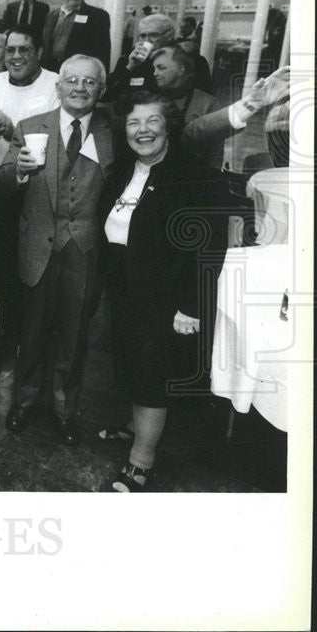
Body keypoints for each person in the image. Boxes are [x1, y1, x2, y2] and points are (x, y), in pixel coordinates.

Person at [98, 92, 228, 491]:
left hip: (166, 297)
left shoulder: (195, 176)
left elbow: (211, 247)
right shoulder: (123, 167)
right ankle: (136, 429)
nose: (142, 131)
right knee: (132, 366)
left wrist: (192, 306)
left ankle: (141, 461)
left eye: (152, 122)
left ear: (169, 125)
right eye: (134, 123)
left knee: (151, 376)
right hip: (124, 290)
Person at [0, 54, 115, 445]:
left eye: (90, 81)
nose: (80, 88)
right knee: (30, 333)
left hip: (85, 250)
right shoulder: (30, 128)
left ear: (102, 88)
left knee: (75, 336)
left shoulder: (114, 132)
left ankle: (65, 409)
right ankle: (26, 401)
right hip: (37, 248)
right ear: (58, 87)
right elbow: (0, 183)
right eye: (72, 80)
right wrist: (21, 171)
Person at [0, 26, 60, 352]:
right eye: (11, 50)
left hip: (34, 194)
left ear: (39, 53)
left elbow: (56, 139)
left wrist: (13, 128)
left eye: (24, 50)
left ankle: (20, 340)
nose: (16, 56)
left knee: (25, 269)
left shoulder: (54, 84)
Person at [104, 14, 212, 103]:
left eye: (153, 35)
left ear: (169, 36)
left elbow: (204, 98)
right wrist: (129, 68)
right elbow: (107, 96)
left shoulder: (189, 59)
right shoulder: (129, 60)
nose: (147, 40)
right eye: (142, 36)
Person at [42, 0, 111, 73]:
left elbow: (103, 53)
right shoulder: (51, 16)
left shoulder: (98, 16)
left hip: (79, 73)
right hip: (50, 71)